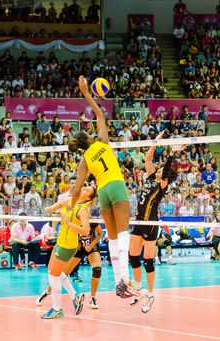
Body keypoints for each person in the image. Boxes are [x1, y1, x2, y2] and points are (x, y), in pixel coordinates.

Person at [68, 76, 135, 298]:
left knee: (113, 237)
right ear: (88, 136)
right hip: (115, 185)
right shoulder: (102, 142)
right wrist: (86, 92)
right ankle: (126, 280)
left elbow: (77, 189)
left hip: (103, 192)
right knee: (124, 235)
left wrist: (70, 207)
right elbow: (100, 115)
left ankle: (118, 283)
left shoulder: (84, 160)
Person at [129, 131, 182, 313]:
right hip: (138, 221)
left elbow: (166, 170)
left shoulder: (162, 185)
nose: (158, 170)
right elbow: (149, 157)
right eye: (158, 169)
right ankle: (139, 289)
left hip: (151, 224)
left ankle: (150, 295)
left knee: (148, 261)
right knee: (132, 257)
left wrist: (173, 154)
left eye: (162, 171)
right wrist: (156, 140)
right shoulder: (152, 177)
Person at [41, 185, 96, 319]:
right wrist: (52, 208)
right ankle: (75, 296)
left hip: (68, 246)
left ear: (88, 198)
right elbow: (60, 204)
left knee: (54, 276)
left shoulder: (83, 210)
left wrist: (69, 224)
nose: (83, 188)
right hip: (60, 242)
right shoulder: (71, 201)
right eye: (84, 187)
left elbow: (86, 231)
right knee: (52, 272)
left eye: (86, 190)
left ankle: (57, 309)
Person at [37, 223, 103, 309]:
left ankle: (92, 298)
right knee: (61, 274)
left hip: (92, 247)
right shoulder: (74, 221)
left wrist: (92, 245)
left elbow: (100, 233)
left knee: (97, 270)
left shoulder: (91, 221)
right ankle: (47, 292)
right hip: (78, 249)